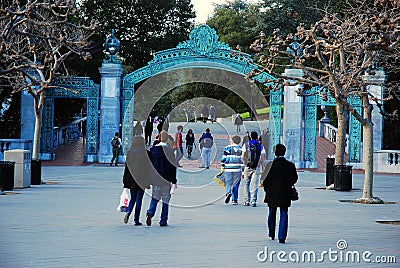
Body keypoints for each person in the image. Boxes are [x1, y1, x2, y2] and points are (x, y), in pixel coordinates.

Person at [262, 144, 298, 244]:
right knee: (284, 213)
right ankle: (282, 236)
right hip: (285, 192)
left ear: (274, 152)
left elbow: (264, 179)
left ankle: (272, 233)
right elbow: (294, 178)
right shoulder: (290, 165)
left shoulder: (270, 165)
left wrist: (267, 189)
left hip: (272, 192)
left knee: (271, 212)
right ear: (284, 152)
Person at [146, 130, 177, 227]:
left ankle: (150, 212)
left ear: (159, 138)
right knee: (165, 201)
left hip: (155, 179)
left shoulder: (153, 150)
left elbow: (149, 165)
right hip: (166, 179)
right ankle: (163, 221)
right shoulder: (170, 151)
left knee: (155, 198)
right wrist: (174, 180)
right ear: (167, 139)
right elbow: (173, 167)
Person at [122, 136, 151, 225]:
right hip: (142, 180)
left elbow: (126, 168)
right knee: (139, 200)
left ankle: (128, 212)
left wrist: (124, 179)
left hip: (131, 179)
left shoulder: (130, 153)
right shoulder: (146, 153)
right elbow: (149, 168)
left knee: (132, 198)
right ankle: (136, 219)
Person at [241, 131, 265, 207]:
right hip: (256, 166)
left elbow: (243, 156)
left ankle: (246, 200)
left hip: (248, 166)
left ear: (250, 137)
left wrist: (245, 164)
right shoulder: (260, 145)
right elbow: (262, 158)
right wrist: (262, 168)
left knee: (246, 183)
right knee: (255, 184)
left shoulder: (246, 145)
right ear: (257, 137)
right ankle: (253, 201)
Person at [221, 136, 243, 205]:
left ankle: (228, 192)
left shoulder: (227, 148)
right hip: (237, 169)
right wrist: (242, 170)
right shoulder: (241, 149)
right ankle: (234, 200)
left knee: (228, 182)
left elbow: (223, 159)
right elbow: (242, 160)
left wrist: (223, 165)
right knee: (236, 184)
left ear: (232, 141)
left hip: (228, 168)